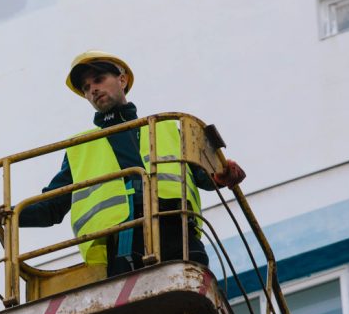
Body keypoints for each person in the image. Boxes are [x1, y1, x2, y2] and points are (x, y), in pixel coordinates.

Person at [18, 51, 245, 277]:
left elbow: (202, 174)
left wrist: (220, 176)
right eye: (86, 88)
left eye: (98, 80)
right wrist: (9, 216)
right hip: (122, 247)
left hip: (175, 232)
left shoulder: (164, 128)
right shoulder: (81, 148)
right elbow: (50, 208)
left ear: (122, 80)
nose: (93, 90)